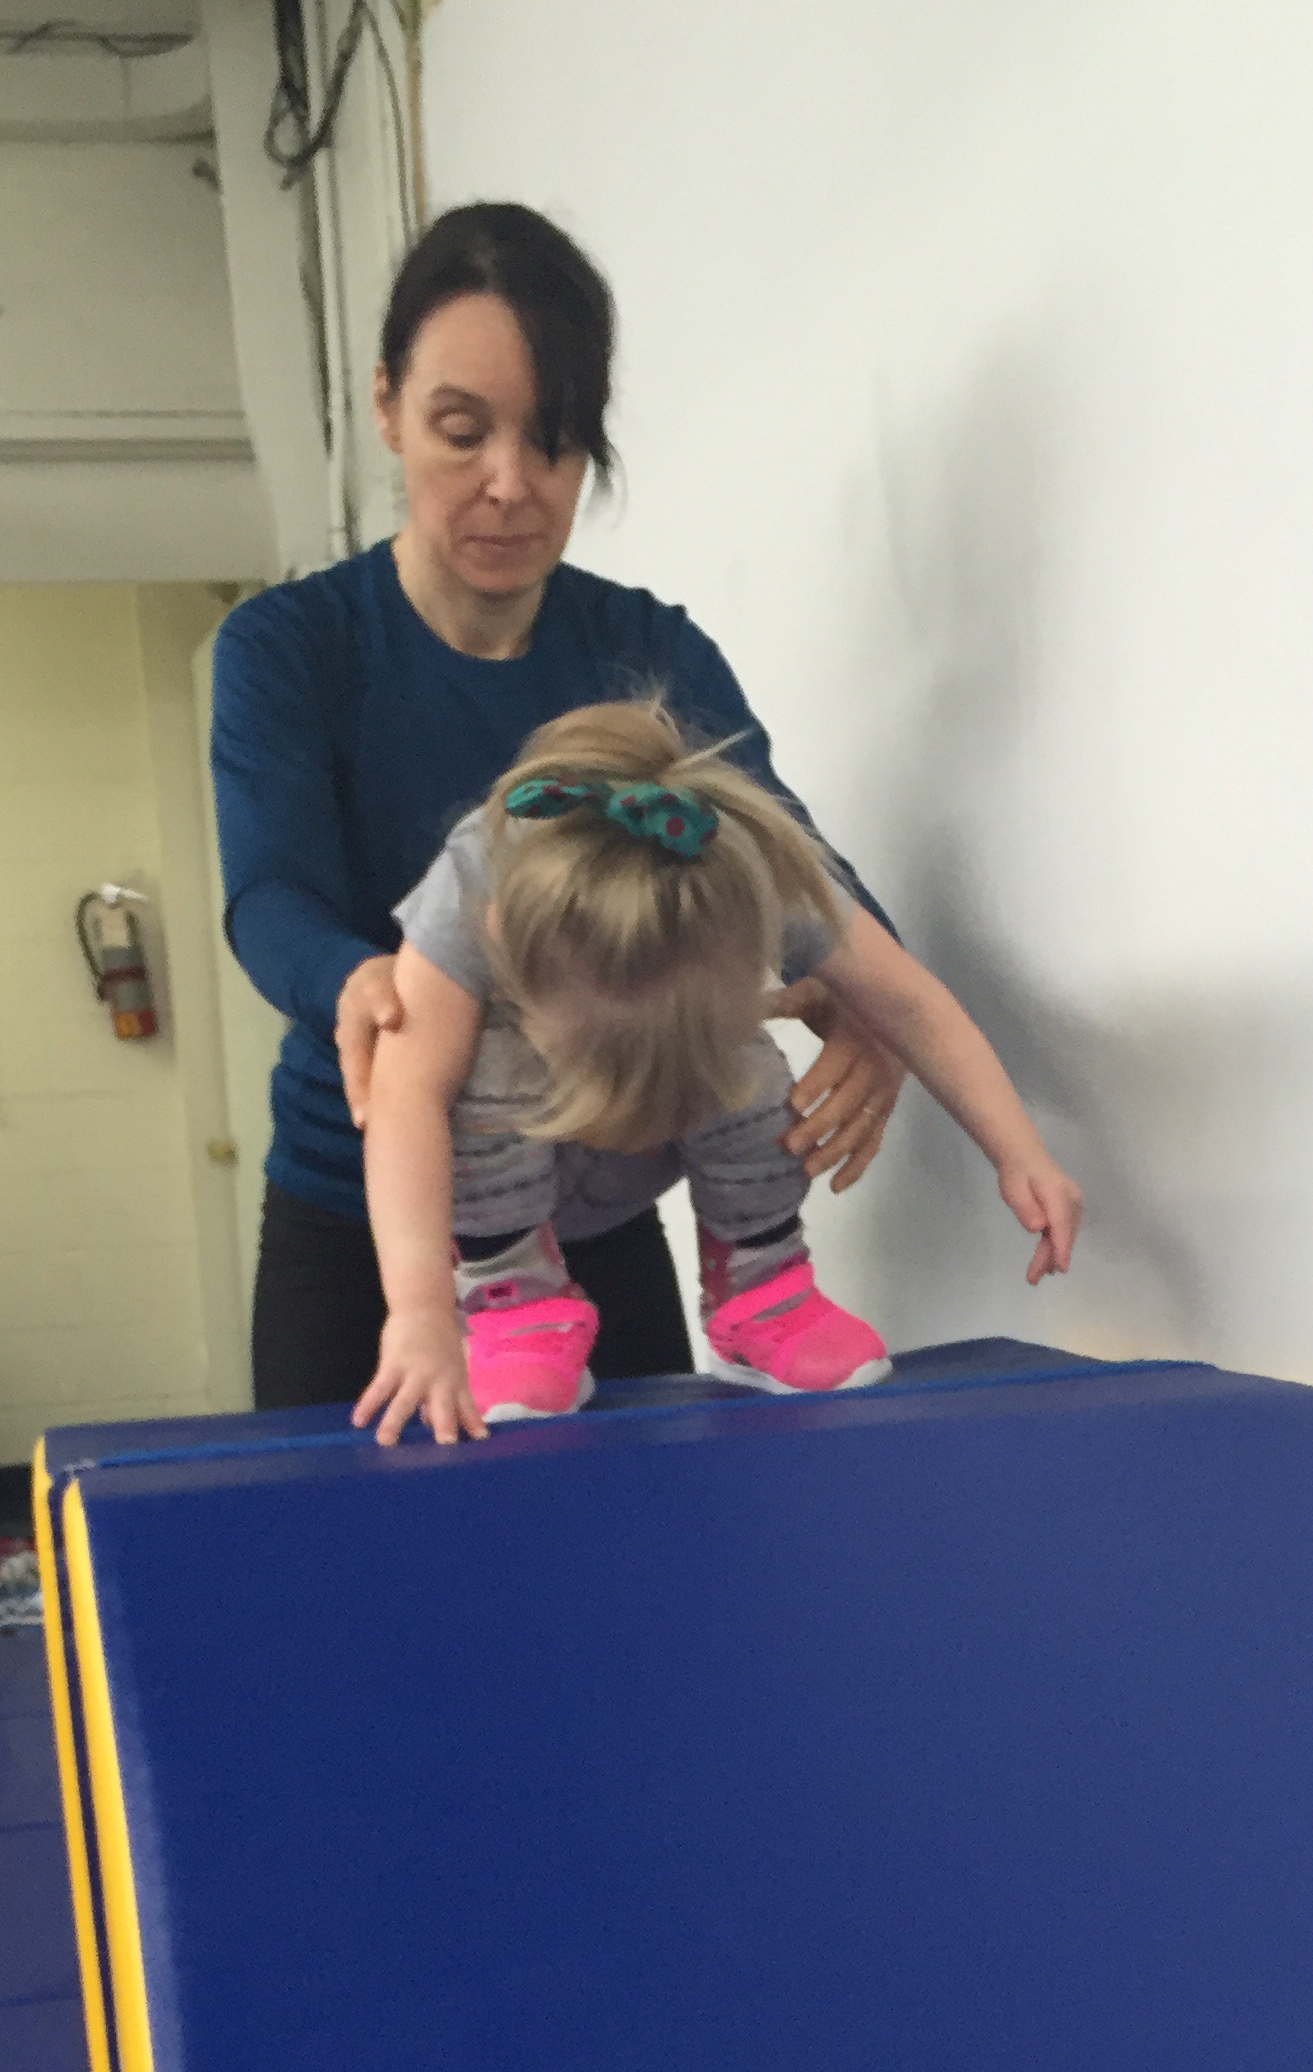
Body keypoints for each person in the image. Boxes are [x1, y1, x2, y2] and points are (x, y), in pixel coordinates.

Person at [211, 200, 908, 1410]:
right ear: (387, 408)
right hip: (355, 1208)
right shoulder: (290, 647)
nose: (509, 485)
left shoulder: (646, 649)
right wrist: (358, 983)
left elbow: (788, 855)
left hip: (595, 1196)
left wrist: (873, 995)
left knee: (632, 1530)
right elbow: (271, 892)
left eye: (553, 443)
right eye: (461, 432)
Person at [355, 700, 1084, 1446]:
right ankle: (517, 1305)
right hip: (513, 1146)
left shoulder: (753, 875)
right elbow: (407, 1098)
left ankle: (760, 1291)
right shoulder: (476, 888)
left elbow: (909, 1004)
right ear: (506, 944)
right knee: (472, 1073)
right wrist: (420, 1311)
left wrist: (1019, 1152)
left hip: (679, 1134)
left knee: (751, 1071)